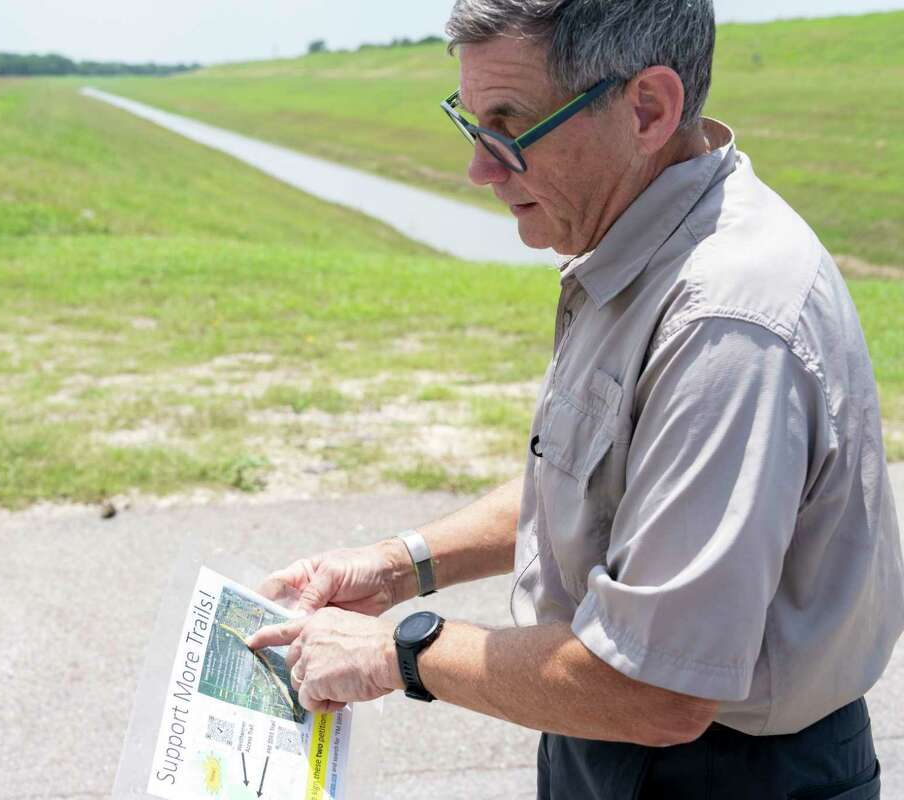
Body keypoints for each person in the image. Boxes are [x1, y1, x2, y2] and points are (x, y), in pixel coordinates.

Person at [244, 1, 904, 797]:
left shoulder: (726, 320)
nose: (481, 169)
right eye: (471, 122)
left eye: (509, 125)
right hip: (615, 740)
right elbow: (604, 483)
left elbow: (660, 690)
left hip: (722, 773)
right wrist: (397, 568)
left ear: (648, 109)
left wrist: (397, 652)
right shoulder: (642, 239)